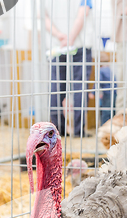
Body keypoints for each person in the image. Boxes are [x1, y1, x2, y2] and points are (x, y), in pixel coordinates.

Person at [45, 0, 93, 137]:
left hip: (57, 46)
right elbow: (83, 14)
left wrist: (59, 35)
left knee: (56, 89)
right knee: (80, 89)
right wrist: (70, 38)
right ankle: (78, 131)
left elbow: (44, 18)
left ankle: (58, 130)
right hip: (79, 45)